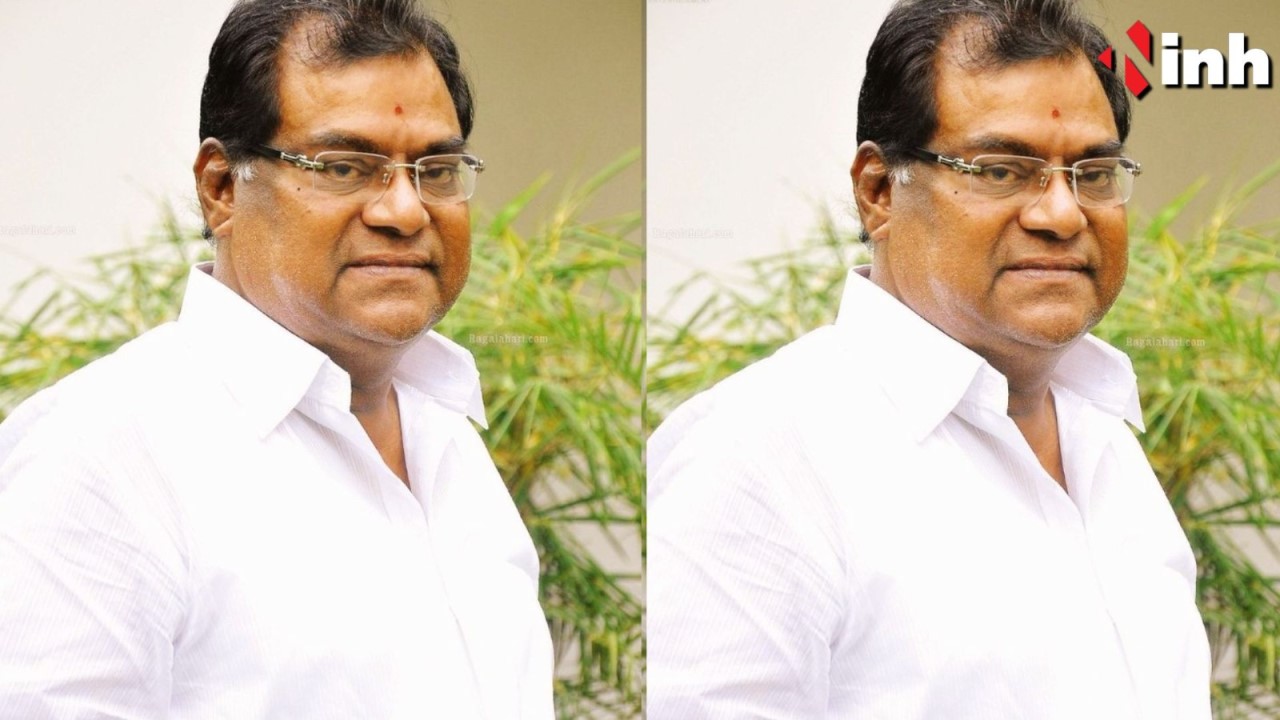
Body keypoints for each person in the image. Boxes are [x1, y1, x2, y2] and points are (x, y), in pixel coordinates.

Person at [647, 0, 1211, 717]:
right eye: (1001, 170)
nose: (1062, 214)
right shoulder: (759, 458)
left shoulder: (1105, 439)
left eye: (1094, 172)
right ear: (879, 191)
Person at [0, 1, 552, 718]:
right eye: (344, 166)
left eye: (437, 169)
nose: (406, 211)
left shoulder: (447, 434)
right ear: (222, 188)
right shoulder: (101, 458)